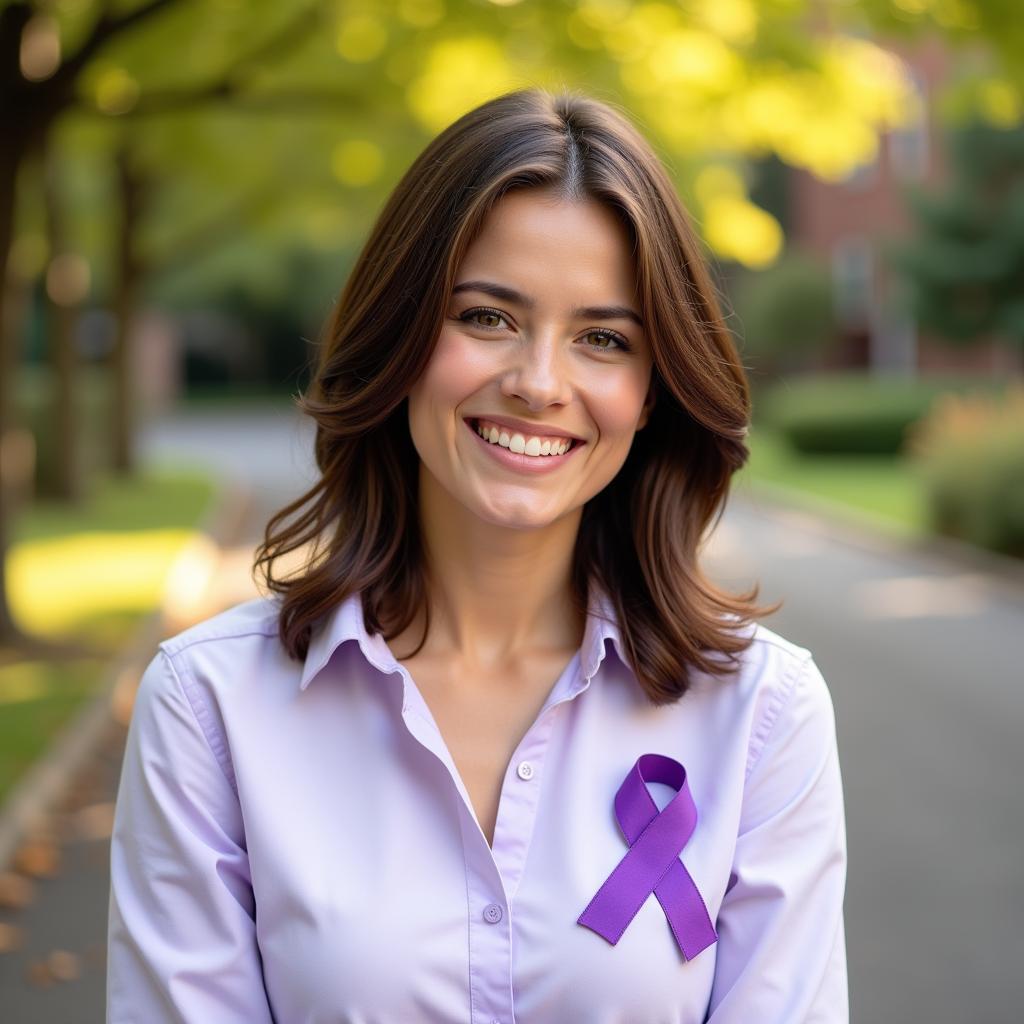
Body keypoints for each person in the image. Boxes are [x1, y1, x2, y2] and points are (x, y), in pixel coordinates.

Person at [107, 87, 848, 1023]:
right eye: (487, 317)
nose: (539, 383)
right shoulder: (210, 710)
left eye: (603, 339)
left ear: (653, 391)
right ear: (403, 337)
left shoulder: (761, 715)